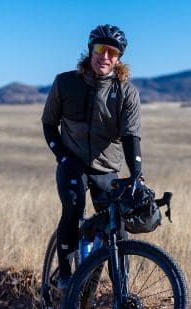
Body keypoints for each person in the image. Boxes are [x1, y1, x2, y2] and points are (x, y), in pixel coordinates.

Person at [41, 24, 143, 289]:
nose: (105, 56)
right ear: (90, 51)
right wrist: (63, 157)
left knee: (117, 231)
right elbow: (49, 124)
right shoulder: (65, 83)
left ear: (118, 58)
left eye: (112, 51)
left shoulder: (125, 92)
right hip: (72, 164)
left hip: (106, 168)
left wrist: (136, 173)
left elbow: (131, 136)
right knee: (73, 209)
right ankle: (64, 274)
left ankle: (123, 298)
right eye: (100, 49)